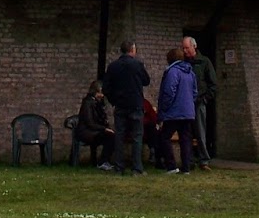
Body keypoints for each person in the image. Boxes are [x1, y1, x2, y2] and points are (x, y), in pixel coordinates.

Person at [101, 39, 150, 175]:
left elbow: (106, 88)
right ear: (132, 50)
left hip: (120, 106)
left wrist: (114, 101)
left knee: (120, 136)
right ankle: (137, 168)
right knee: (137, 136)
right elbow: (146, 81)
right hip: (135, 104)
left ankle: (119, 167)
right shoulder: (137, 65)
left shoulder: (113, 66)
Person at [157, 46, 197, 174]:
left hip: (174, 112)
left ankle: (172, 166)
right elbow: (195, 92)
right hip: (188, 112)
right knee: (185, 139)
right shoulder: (190, 72)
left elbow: (169, 92)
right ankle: (186, 168)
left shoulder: (173, 71)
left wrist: (164, 108)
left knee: (164, 137)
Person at [182, 35, 217, 169]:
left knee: (200, 132)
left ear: (194, 46)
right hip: (185, 102)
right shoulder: (183, 62)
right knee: (186, 132)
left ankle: (204, 160)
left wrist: (205, 99)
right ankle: (189, 160)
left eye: (187, 47)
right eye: (183, 48)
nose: (185, 50)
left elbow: (212, 84)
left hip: (199, 101)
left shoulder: (204, 62)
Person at [76, 78, 115, 169]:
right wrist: (104, 129)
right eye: (100, 93)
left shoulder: (99, 104)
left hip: (94, 131)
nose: (101, 95)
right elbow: (90, 123)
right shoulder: (88, 103)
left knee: (112, 136)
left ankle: (105, 160)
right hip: (86, 132)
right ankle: (102, 162)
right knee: (110, 137)